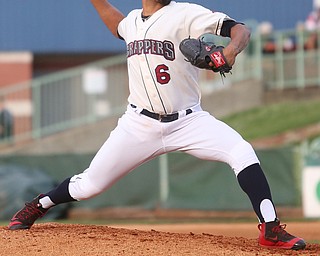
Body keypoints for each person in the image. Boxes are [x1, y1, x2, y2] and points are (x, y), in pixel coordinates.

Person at [8, 0, 306, 251]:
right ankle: (40, 203)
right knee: (90, 184)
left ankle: (271, 228)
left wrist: (229, 53)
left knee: (241, 151)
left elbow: (241, 29)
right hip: (138, 124)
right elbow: (118, 26)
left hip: (189, 120)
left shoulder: (185, 13)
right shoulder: (133, 23)